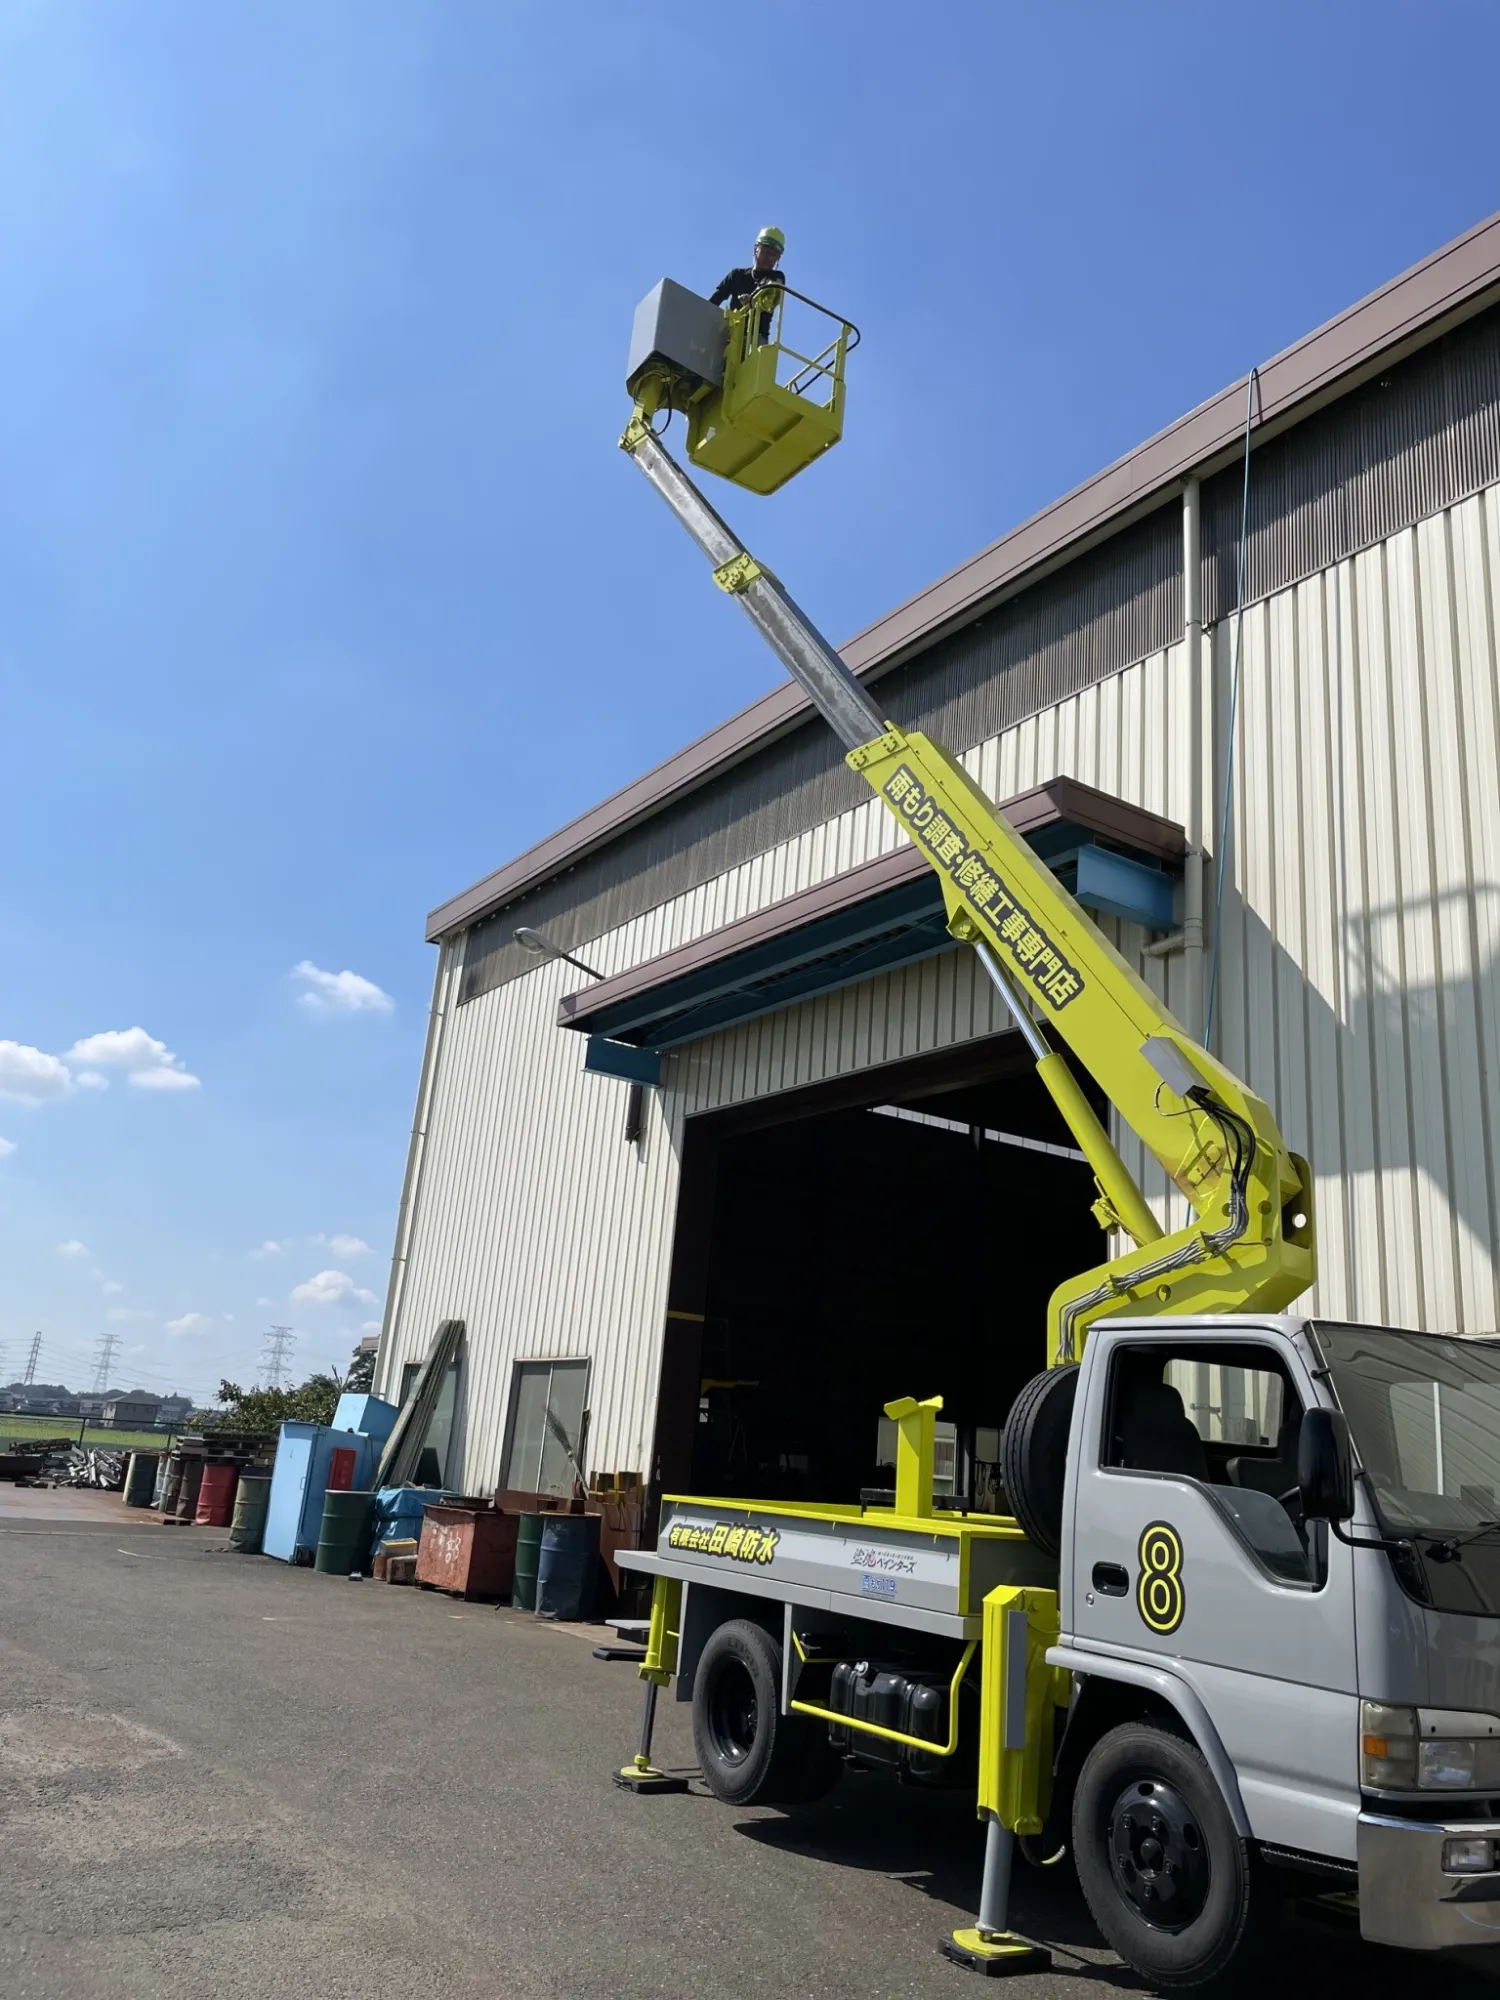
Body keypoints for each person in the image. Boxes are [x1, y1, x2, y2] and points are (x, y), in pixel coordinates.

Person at [710, 227, 786, 336]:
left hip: (757, 340)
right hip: (730, 334)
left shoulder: (777, 278)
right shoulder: (737, 275)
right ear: (756, 249)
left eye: (774, 254)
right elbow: (715, 300)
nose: (769, 257)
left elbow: (769, 300)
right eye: (766, 251)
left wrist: (752, 300)